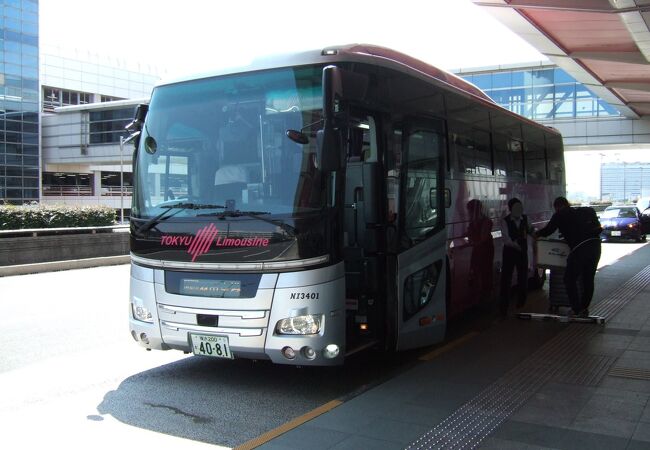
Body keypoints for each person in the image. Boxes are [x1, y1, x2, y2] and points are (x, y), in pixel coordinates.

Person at [534, 196, 602, 317]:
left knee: (569, 279)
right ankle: (584, 308)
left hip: (580, 249)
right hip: (595, 246)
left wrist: (535, 234)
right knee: (588, 279)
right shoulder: (587, 211)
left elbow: (548, 231)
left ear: (558, 207)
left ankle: (576, 309)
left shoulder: (560, 214)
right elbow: (598, 228)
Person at [499, 197, 534, 316]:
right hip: (509, 252)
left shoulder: (525, 219)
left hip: (522, 252)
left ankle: (521, 303)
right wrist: (516, 246)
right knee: (506, 279)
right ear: (510, 209)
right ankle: (504, 307)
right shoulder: (505, 221)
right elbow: (506, 239)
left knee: (523, 277)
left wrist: (537, 236)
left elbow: (531, 230)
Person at [466, 200, 495, 304]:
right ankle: (479, 297)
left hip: (485, 250)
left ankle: (486, 298)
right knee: (476, 272)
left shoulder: (486, 221)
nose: (468, 213)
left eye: (470, 211)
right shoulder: (474, 222)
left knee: (485, 273)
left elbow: (482, 238)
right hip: (478, 250)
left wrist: (471, 241)